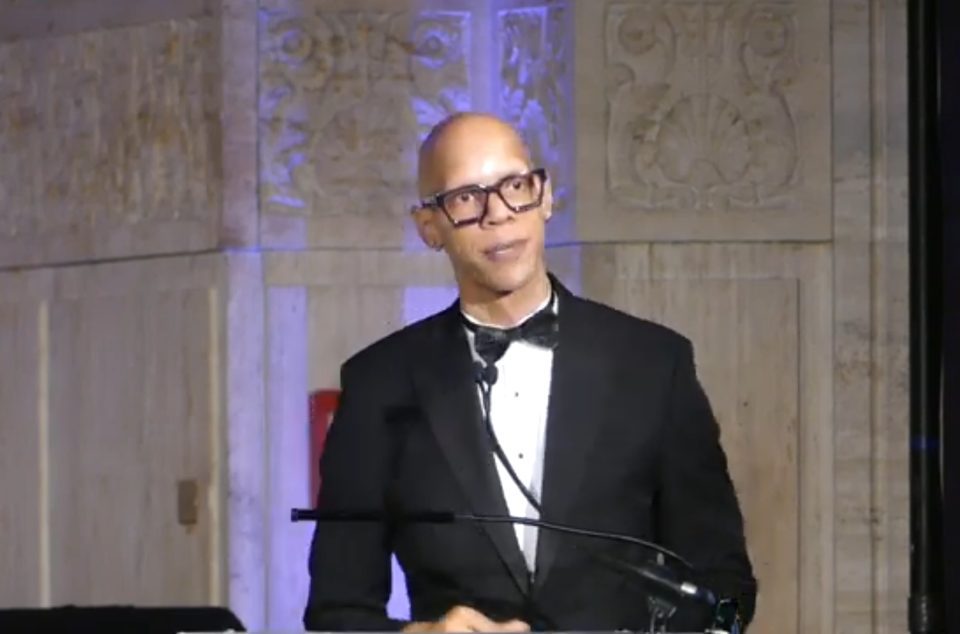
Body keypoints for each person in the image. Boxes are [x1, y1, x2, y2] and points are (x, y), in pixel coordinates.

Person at [303, 112, 757, 632]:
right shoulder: (379, 383)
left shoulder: (654, 364)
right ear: (429, 226)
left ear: (545, 197)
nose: (498, 214)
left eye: (514, 186)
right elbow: (334, 613)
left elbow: (725, 589)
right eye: (466, 198)